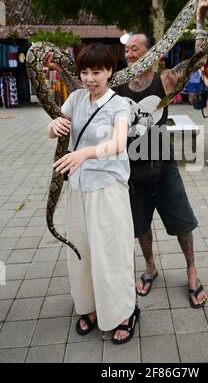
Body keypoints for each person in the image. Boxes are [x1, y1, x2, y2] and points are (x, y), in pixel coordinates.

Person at [115, 0, 208, 308]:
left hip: (162, 160)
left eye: (136, 48)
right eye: (127, 50)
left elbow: (198, 59)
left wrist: (200, 19)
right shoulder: (117, 84)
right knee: (140, 224)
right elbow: (84, 85)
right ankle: (150, 267)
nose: (130, 54)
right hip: (130, 165)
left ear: (152, 52)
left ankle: (191, 269)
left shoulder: (166, 79)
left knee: (183, 222)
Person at [46, 43, 139, 344]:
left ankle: (124, 312)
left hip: (107, 191)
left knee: (110, 253)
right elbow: (54, 129)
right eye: (84, 71)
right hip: (79, 189)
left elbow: (118, 145)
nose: (89, 78)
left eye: (96, 72)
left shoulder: (119, 105)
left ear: (110, 71)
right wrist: (54, 124)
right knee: (81, 251)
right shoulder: (75, 98)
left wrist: (84, 154)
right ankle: (89, 307)